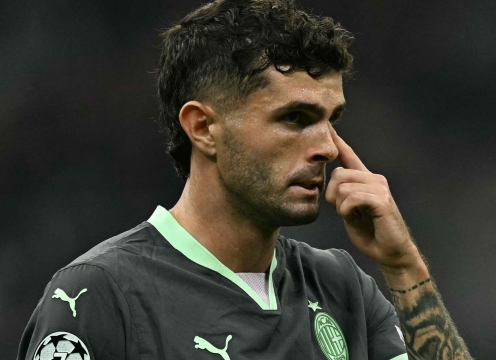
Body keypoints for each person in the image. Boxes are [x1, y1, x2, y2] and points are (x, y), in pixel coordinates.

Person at [17, 0, 472, 359]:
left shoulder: (342, 287)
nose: (329, 148)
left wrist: (404, 266)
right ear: (203, 128)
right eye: (296, 117)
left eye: (332, 120)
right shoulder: (98, 294)